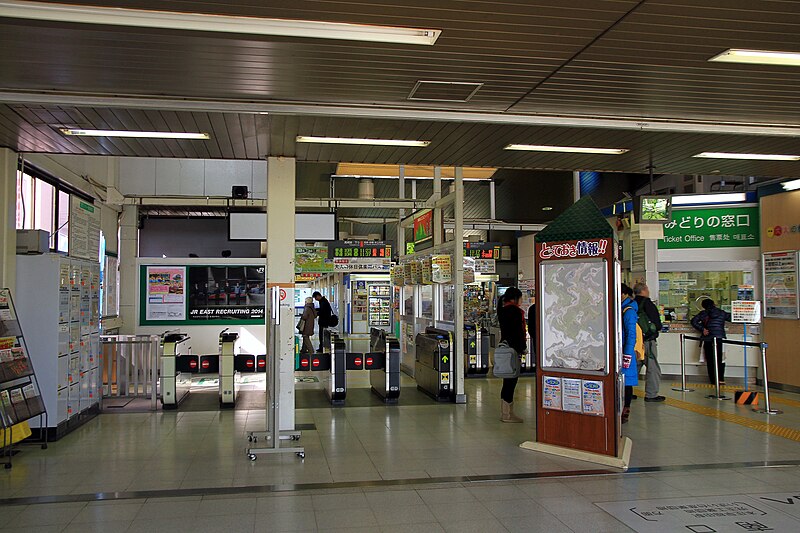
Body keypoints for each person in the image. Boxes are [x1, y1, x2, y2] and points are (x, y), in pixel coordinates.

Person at [496, 287, 527, 423]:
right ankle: (508, 414)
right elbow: (519, 332)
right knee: (512, 380)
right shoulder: (516, 312)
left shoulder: (502, 310)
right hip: (513, 350)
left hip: (504, 347)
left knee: (507, 379)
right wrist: (523, 348)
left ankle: (505, 412)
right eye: (520, 297)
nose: (522, 300)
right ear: (515, 298)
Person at [634, 283, 664, 402]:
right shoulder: (647, 303)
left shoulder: (631, 303)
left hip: (635, 341)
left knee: (635, 366)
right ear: (644, 290)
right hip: (648, 341)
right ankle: (651, 394)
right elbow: (657, 323)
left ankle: (626, 392)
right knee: (652, 367)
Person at [691, 298, 732, 385]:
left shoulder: (703, 313)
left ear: (703, 306)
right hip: (719, 337)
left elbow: (693, 321)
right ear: (714, 304)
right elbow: (732, 318)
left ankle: (713, 380)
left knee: (710, 360)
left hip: (708, 338)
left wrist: (703, 329)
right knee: (720, 359)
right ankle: (721, 378)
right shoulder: (721, 312)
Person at [620, 283, 639, 424]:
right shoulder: (620, 308)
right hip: (619, 350)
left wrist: (627, 354)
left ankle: (625, 411)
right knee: (623, 381)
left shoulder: (629, 311)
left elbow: (631, 334)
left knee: (626, 382)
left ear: (624, 294)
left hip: (626, 352)